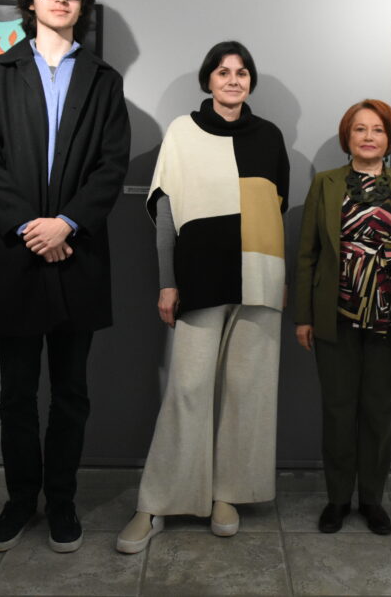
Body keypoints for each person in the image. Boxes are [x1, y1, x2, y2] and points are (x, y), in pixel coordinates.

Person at [0, 0, 130, 554]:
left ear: (81, 5)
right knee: (15, 395)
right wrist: (31, 228)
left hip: (77, 253)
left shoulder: (105, 80)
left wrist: (65, 224)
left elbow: (111, 166)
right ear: (30, 0)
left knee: (71, 393)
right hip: (13, 256)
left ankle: (61, 502)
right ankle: (19, 502)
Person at [116, 41, 289, 554]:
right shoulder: (182, 132)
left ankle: (227, 494)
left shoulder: (269, 136)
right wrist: (168, 281)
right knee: (187, 388)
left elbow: (275, 207)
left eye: (242, 72)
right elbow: (165, 211)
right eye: (223, 72)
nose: (233, 80)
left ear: (250, 81)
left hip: (259, 275)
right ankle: (157, 502)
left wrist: (275, 276)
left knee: (247, 391)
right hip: (200, 277)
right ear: (208, 80)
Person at [294, 100, 391, 535]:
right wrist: (303, 316)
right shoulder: (326, 184)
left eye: (378, 129)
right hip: (336, 316)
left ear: (389, 138)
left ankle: (371, 499)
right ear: (347, 137)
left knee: (378, 413)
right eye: (359, 129)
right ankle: (337, 499)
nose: (369, 137)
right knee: (337, 411)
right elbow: (308, 253)